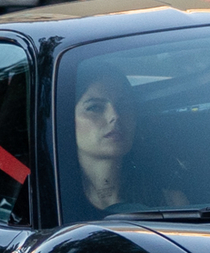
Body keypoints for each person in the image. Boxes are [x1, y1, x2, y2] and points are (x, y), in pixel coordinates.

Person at [70, 70, 185, 215]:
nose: (115, 116)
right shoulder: (43, 205)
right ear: (66, 119)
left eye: (124, 105)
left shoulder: (172, 202)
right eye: (95, 107)